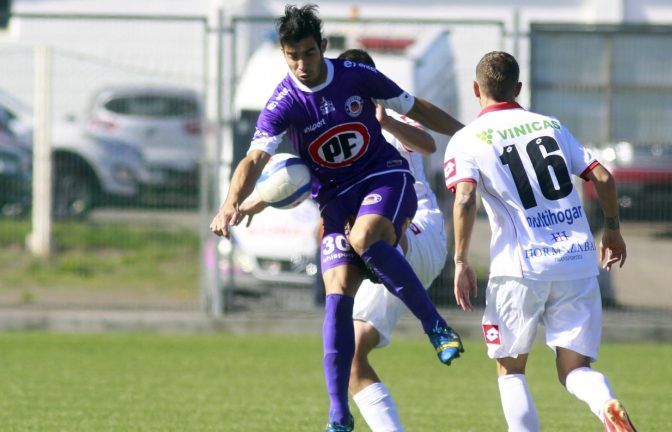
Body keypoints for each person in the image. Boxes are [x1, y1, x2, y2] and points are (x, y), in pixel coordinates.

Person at [209, 5, 464, 431]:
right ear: (283, 54)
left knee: (365, 237)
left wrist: (466, 132)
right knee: (336, 291)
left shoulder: (355, 77)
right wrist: (232, 202)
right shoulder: (283, 102)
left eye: (308, 54)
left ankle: (435, 326)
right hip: (336, 201)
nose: (301, 65)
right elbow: (254, 159)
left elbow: (416, 110)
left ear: (323, 48)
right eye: (292, 56)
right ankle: (339, 417)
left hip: (384, 178)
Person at [444, 51, 637, 432]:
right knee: (575, 368)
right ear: (518, 88)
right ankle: (606, 405)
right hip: (577, 262)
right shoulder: (550, 126)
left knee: (511, 370)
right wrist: (612, 228)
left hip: (519, 269)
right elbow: (603, 178)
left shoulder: (467, 139)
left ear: (475, 89)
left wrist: (461, 260)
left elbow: (464, 197)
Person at [325, 49, 448, 432]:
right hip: (384, 254)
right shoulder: (337, 133)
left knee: (375, 231)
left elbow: (428, 145)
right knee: (353, 358)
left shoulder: (389, 115)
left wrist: (387, 123)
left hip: (420, 232)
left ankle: (436, 326)